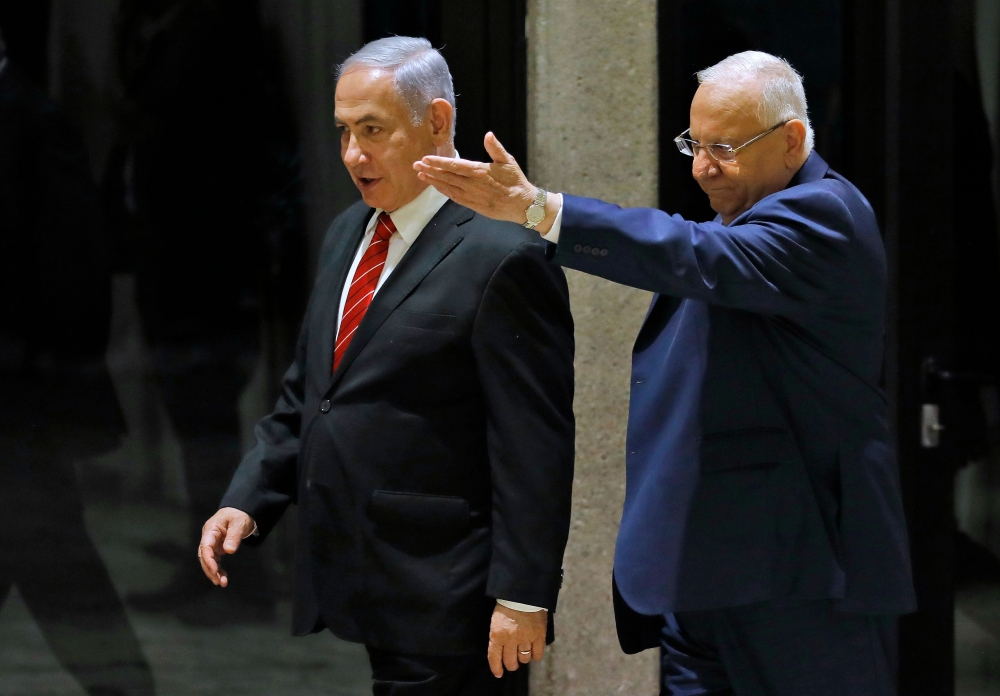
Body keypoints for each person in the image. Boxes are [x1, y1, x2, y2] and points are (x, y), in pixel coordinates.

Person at [414, 50, 916, 695]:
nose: (703, 167)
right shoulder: (735, 224)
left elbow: (693, 253)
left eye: (726, 147)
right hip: (702, 577)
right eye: (695, 144)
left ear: (792, 139)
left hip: (801, 578)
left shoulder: (825, 216)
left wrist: (541, 209)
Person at [197, 37, 575, 695]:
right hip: (363, 573)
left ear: (437, 122)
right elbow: (313, 391)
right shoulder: (350, 230)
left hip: (450, 591)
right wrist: (251, 497)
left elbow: (534, 444)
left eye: (373, 131)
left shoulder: (503, 255)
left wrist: (522, 595)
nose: (352, 155)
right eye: (344, 132)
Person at [106, 0, 306, 626]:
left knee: (208, 406)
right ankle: (218, 560)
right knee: (194, 409)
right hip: (179, 254)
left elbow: (233, 145)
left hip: (207, 259)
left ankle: (233, 572)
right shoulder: (160, 26)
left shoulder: (217, 29)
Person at [0, 28, 155, 696]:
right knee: (52, 562)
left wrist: (46, 373)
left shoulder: (29, 119)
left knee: (54, 563)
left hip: (20, 403)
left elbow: (73, 266)